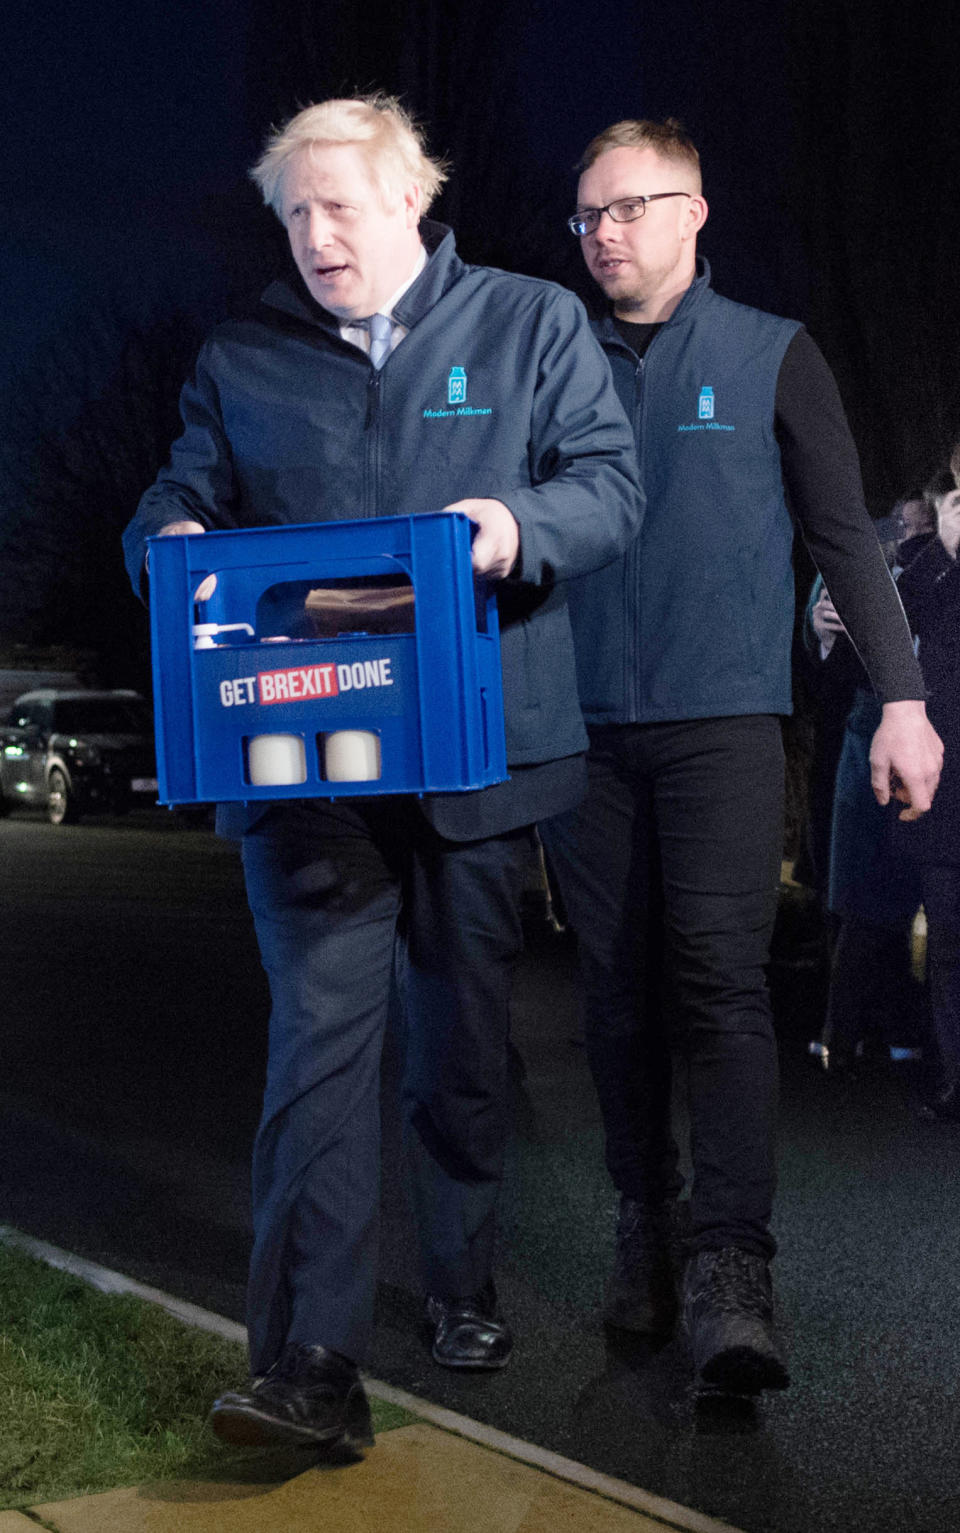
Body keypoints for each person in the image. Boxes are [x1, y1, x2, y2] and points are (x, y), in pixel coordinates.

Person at [123, 95, 641, 1454]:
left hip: (478, 757)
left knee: (459, 1042)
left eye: (338, 206)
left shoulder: (530, 325)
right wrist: (168, 532)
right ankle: (306, 1360)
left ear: (410, 199)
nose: (314, 236)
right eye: (293, 214)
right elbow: (173, 501)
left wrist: (511, 526)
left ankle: (462, 1276)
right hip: (306, 769)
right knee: (318, 1050)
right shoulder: (241, 356)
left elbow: (610, 488)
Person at [539, 117, 943, 1396]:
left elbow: (843, 540)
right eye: (588, 216)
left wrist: (905, 699)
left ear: (694, 211)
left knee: (717, 981)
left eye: (629, 207)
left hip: (723, 725)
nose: (606, 233)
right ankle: (642, 1226)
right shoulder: (549, 358)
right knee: (614, 986)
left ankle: (731, 1271)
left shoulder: (774, 354)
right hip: (580, 726)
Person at [896, 469, 960, 1121]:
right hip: (947, 787)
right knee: (947, 939)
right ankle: (953, 1075)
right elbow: (901, 618)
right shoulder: (931, 568)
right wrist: (942, 545)